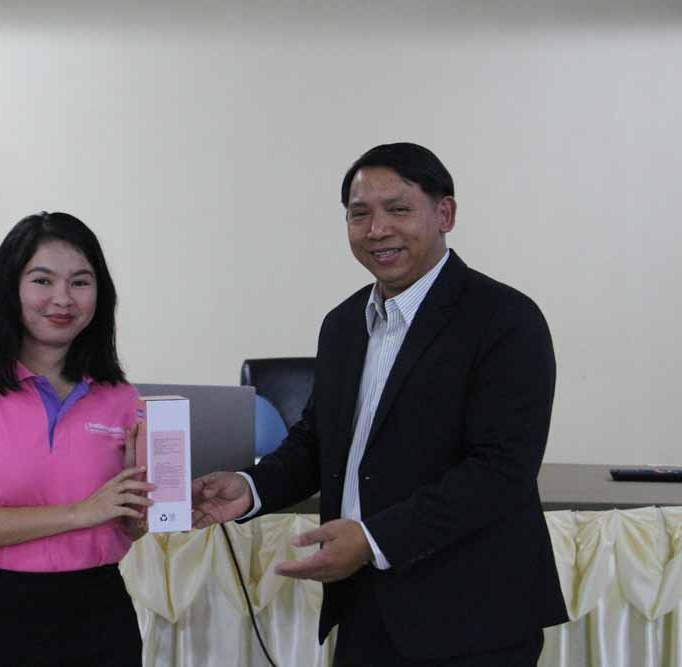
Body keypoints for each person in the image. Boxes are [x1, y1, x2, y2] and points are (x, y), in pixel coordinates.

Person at [192, 143, 567, 666]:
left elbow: (500, 472)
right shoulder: (344, 324)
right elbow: (318, 442)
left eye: (398, 209)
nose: (377, 229)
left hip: (474, 617)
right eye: (359, 214)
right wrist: (250, 487)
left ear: (445, 214)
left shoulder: (505, 319)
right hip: (364, 607)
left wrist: (371, 541)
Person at [0, 211, 154, 667]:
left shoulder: (122, 398)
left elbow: (130, 527)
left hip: (102, 617)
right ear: (10, 288)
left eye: (80, 282)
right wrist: (82, 511)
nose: (62, 299)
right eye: (43, 280)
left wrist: (140, 511)